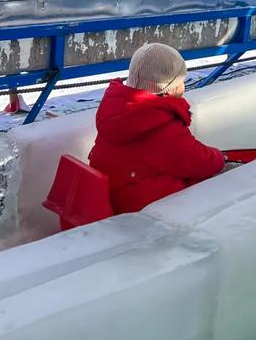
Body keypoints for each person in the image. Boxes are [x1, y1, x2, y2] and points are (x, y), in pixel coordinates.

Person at [89, 43, 224, 214]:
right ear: (169, 88)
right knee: (208, 184)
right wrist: (220, 157)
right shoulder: (161, 125)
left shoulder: (116, 109)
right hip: (141, 207)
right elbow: (202, 161)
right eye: (181, 80)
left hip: (113, 194)